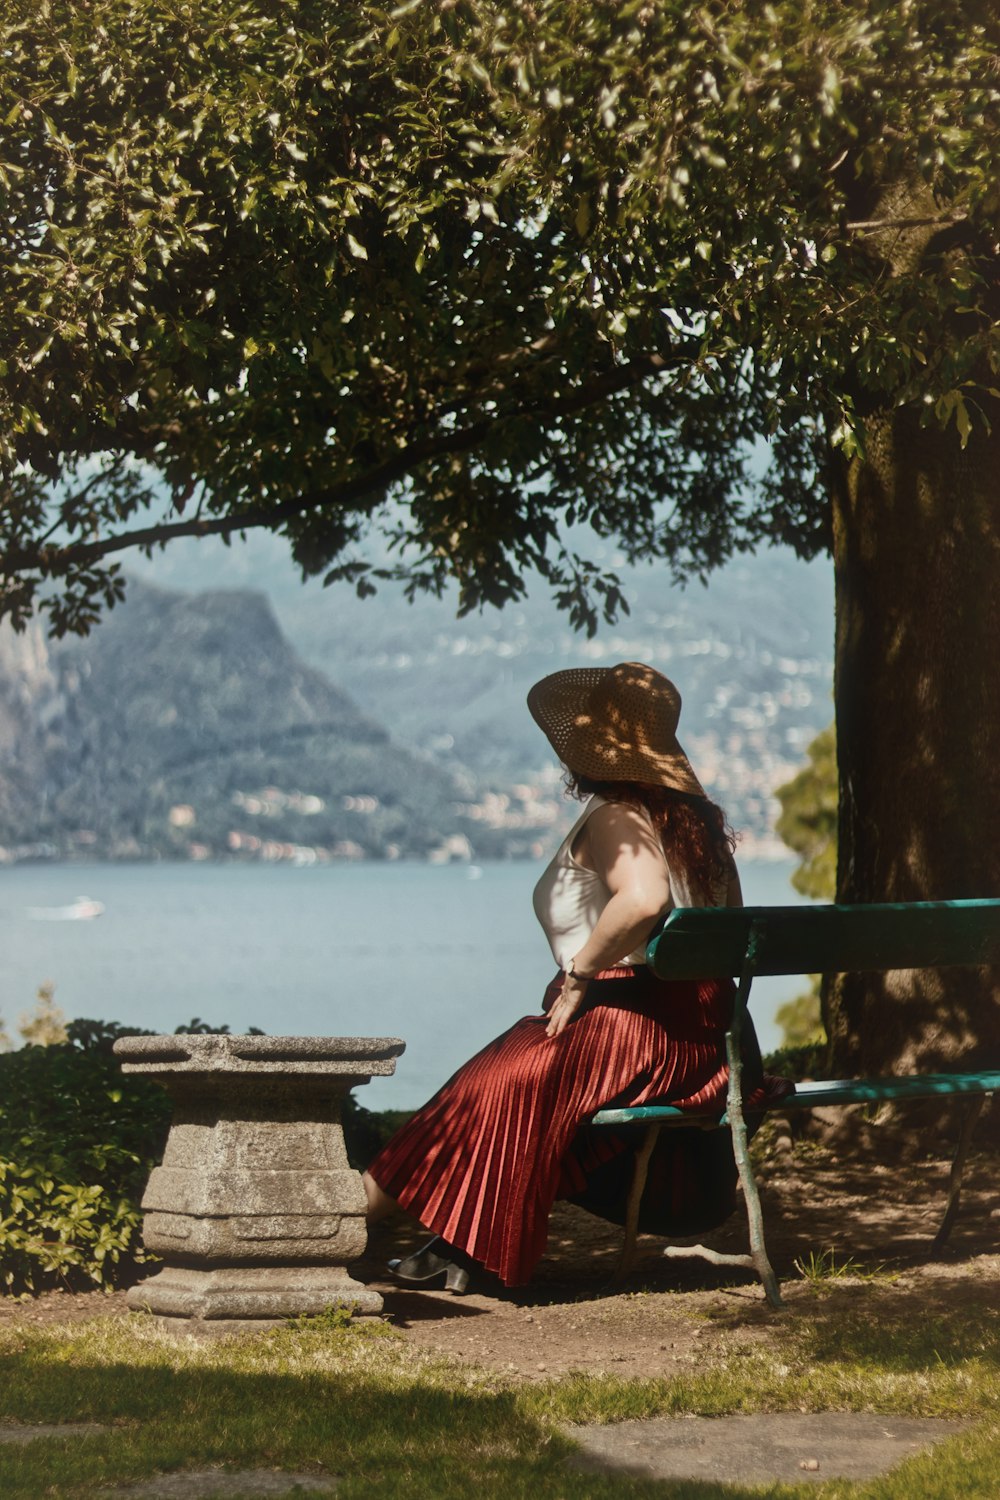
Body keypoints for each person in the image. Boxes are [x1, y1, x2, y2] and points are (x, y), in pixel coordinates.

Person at [363, 661, 787, 1292]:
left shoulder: (617, 814)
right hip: (713, 1035)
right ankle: (456, 1249)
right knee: (506, 1081)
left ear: (591, 750)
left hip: (634, 1025)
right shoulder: (696, 825)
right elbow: (728, 934)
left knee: (484, 1089)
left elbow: (644, 900)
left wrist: (581, 973)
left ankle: (336, 1224)